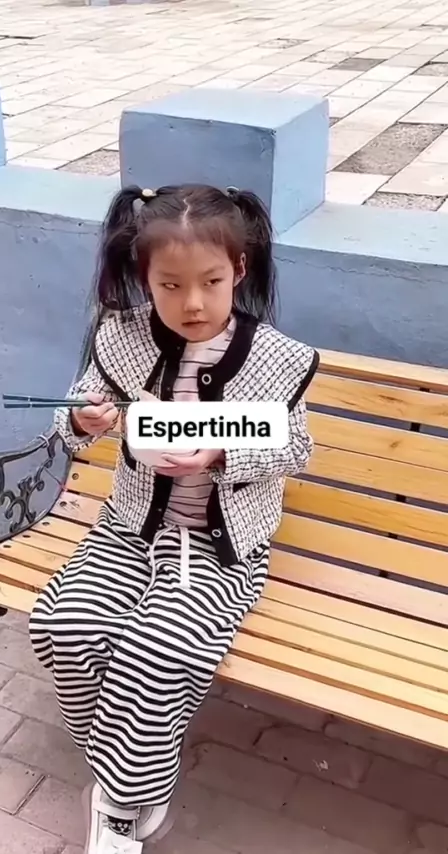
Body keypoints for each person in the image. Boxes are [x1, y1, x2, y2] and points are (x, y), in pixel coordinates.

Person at [29, 183, 319, 854]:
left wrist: (222, 450)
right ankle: (131, 778)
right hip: (128, 528)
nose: (192, 303)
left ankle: (119, 804)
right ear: (144, 277)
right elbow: (71, 418)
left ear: (239, 270)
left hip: (221, 546)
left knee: (158, 649)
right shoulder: (122, 338)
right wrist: (83, 420)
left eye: (211, 282)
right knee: (64, 627)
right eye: (170, 285)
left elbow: (297, 448)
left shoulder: (276, 360)